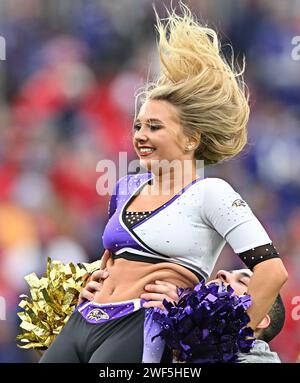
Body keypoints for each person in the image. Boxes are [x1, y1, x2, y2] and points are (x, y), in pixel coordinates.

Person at [39, 4, 288, 363]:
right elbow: (114, 259)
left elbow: (271, 271)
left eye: (155, 127)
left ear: (190, 139)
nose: (140, 135)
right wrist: (94, 279)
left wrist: (214, 345)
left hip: (138, 328)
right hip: (84, 320)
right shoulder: (126, 186)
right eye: (138, 125)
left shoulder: (212, 193)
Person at [79, 267, 285, 363]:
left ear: (260, 319)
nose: (221, 273)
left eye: (241, 281)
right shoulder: (176, 341)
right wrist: (95, 316)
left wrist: (186, 318)